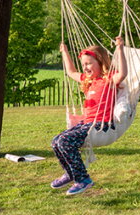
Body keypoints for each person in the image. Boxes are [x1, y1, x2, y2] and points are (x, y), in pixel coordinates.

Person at [51, 37, 127, 195]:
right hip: (86, 124)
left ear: (100, 61)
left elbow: (123, 74)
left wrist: (119, 48)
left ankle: (83, 179)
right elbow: (71, 72)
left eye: (89, 63)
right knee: (56, 142)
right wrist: (65, 52)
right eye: (83, 64)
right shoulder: (89, 81)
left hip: (100, 126)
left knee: (65, 141)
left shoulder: (109, 79)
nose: (85, 67)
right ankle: (71, 173)